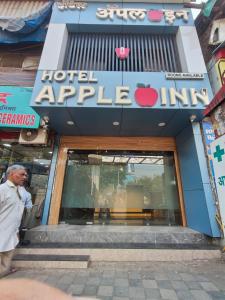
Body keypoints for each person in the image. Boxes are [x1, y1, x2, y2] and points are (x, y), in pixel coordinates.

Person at [0, 164, 27, 278]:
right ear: (11, 174)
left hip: (12, 231)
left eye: (25, 174)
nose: (25, 177)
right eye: (22, 174)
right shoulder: (2, 189)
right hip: (2, 230)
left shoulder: (20, 190)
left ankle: (4, 273)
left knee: (8, 254)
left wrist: (16, 230)